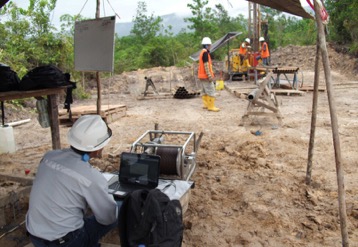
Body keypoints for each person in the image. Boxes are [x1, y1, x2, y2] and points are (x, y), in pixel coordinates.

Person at [26, 115, 118, 247]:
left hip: (35, 237)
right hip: (65, 243)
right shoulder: (91, 177)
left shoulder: (48, 157)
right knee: (117, 208)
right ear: (98, 148)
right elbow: (107, 218)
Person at [198, 36, 219, 112]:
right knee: (211, 90)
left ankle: (206, 105)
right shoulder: (205, 53)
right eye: (210, 45)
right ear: (207, 45)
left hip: (201, 76)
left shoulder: (202, 53)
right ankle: (211, 106)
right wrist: (209, 76)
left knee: (204, 90)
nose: (210, 46)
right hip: (205, 76)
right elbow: (206, 66)